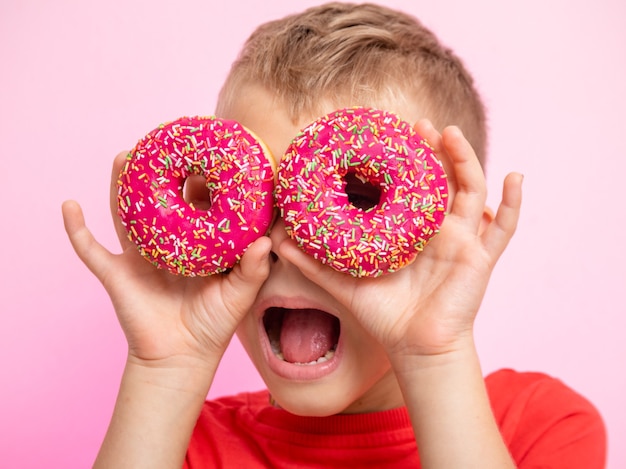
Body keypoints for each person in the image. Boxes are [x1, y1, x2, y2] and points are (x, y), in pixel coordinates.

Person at [62, 2, 606, 467]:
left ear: (462, 245)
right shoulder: (177, 442)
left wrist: (435, 355)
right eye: (258, 200)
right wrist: (165, 369)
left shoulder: (539, 423)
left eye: (359, 199)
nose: (286, 247)